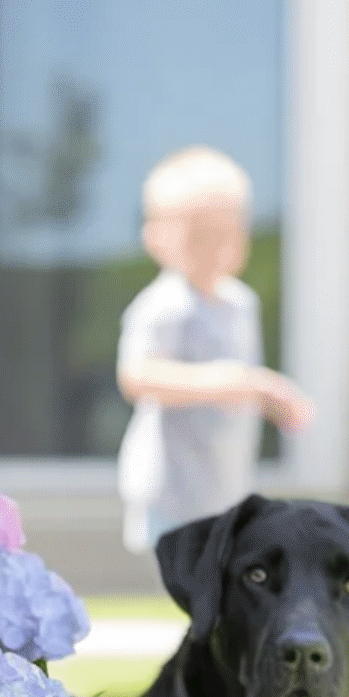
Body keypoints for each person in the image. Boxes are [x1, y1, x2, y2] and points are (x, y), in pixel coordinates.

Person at [116, 145, 316, 555]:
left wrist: (269, 396)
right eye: (201, 236)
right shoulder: (165, 305)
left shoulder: (240, 305)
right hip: (172, 483)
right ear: (157, 238)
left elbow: (247, 381)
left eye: (230, 232)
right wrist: (228, 382)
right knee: (195, 577)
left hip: (223, 481)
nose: (218, 247)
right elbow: (136, 375)